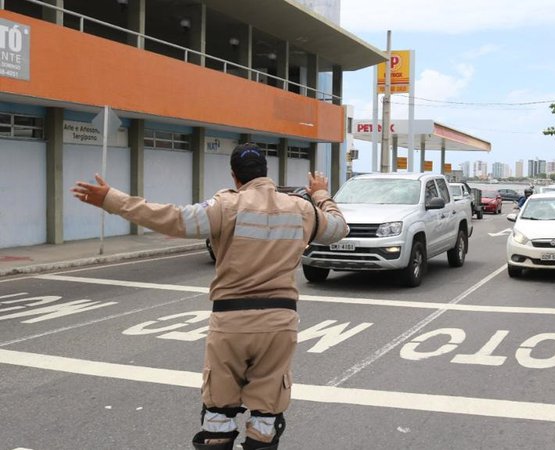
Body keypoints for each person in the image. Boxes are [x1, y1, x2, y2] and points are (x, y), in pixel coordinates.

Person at [71, 143, 349, 450]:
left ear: (234, 176)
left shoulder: (224, 206)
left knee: (218, 414)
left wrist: (112, 199)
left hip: (230, 322)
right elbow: (338, 229)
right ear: (266, 173)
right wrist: (320, 194)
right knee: (267, 416)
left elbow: (173, 219)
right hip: (279, 323)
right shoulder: (302, 209)